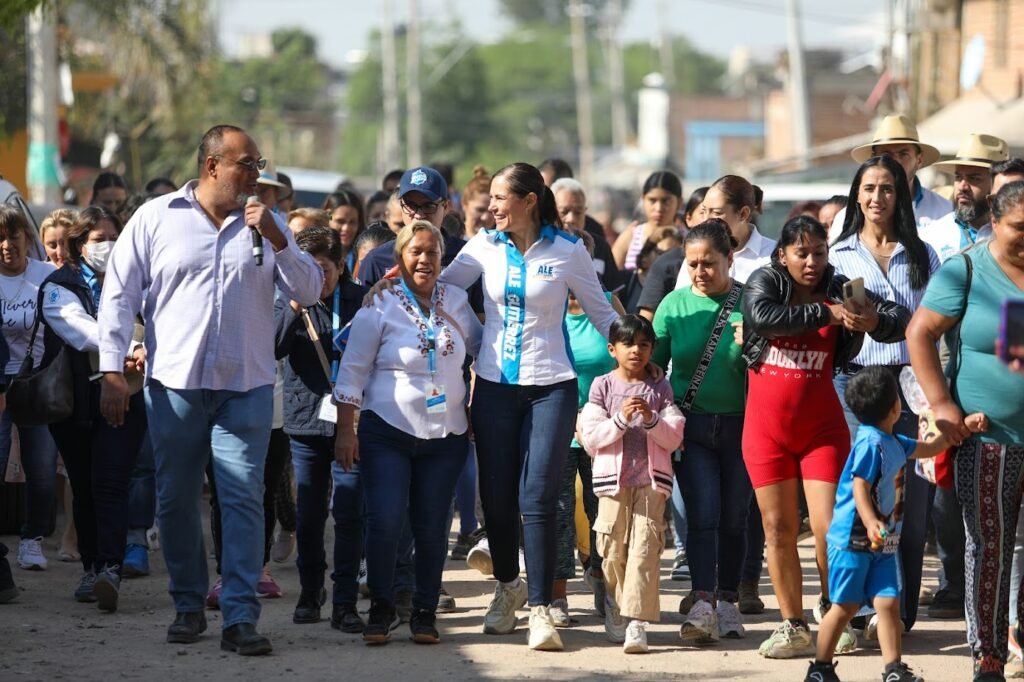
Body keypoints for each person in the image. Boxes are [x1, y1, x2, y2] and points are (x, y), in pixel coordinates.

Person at [97, 124, 323, 655]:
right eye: (247, 164)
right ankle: (187, 605)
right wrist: (111, 371)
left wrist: (279, 238)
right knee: (175, 500)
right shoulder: (156, 218)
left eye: (259, 163)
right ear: (212, 164)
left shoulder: (271, 224)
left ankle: (240, 616)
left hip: (244, 384)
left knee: (243, 497)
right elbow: (118, 297)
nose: (256, 174)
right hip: (174, 387)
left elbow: (311, 288)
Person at [435, 162, 620, 650]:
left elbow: (602, 313)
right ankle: (506, 586)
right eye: (491, 198)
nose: (491, 206)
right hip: (493, 387)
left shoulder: (567, 250)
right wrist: (386, 287)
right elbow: (440, 289)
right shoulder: (482, 246)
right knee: (496, 500)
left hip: (552, 389)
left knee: (536, 497)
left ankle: (541, 608)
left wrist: (637, 364)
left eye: (499, 198)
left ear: (528, 200)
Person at [742, 215, 910, 659]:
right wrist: (828, 314)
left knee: (828, 529)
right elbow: (763, 318)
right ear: (783, 256)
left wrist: (871, 319)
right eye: (802, 253)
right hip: (765, 432)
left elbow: (898, 317)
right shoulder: (764, 280)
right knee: (777, 528)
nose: (812, 262)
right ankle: (792, 624)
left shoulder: (842, 286)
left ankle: (835, 611)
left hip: (822, 430)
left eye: (819, 252)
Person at [335, 219, 481, 644]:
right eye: (415, 251)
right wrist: (347, 430)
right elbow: (352, 371)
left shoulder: (455, 299)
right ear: (400, 258)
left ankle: (424, 611)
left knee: (433, 526)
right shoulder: (379, 303)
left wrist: (476, 399)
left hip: (446, 435)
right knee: (385, 519)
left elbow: (482, 349)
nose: (424, 259)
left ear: (442, 258)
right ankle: (381, 607)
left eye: (432, 252)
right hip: (387, 431)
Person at [907, 180, 1024, 681]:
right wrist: (941, 404)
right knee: (989, 544)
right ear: (994, 222)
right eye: (1020, 228)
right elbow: (920, 332)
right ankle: (989, 658)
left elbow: (1014, 348)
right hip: (988, 437)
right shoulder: (968, 269)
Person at [806, 367, 987, 682]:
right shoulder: (869, 444)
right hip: (853, 542)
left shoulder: (895, 441)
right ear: (895, 407)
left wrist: (963, 429)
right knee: (845, 606)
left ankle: (893, 669)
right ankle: (820, 668)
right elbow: (860, 486)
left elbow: (929, 448)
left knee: (889, 603)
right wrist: (872, 520)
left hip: (883, 544)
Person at [829, 154, 941, 635]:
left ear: (901, 195)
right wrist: (843, 318)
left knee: (910, 506)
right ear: (857, 194)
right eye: (870, 188)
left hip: (909, 385)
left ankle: (899, 612)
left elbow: (935, 324)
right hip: (852, 384)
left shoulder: (924, 255)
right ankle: (857, 610)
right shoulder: (836, 254)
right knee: (861, 495)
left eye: (888, 188)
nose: (878, 197)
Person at [40, 205, 148, 612]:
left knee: (110, 480)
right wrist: (131, 346)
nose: (108, 246)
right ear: (80, 245)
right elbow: (78, 328)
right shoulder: (57, 286)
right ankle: (92, 566)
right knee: (83, 485)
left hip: (128, 398)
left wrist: (147, 346)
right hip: (74, 403)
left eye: (114, 237)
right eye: (99, 239)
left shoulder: (140, 282)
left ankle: (111, 569)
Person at [651, 220, 752, 644]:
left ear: (730, 258)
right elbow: (652, 367)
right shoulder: (672, 306)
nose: (699, 272)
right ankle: (703, 600)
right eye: (692, 263)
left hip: (745, 426)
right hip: (691, 427)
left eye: (709, 263)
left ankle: (729, 599)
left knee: (735, 517)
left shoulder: (753, 301)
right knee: (703, 515)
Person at [274, 226, 366, 630]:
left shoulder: (363, 302)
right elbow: (271, 348)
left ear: (341, 266)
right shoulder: (291, 301)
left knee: (349, 512)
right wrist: (293, 307)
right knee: (309, 515)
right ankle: (311, 592)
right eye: (308, 268)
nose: (318, 277)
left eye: (324, 269)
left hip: (355, 423)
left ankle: (344, 601)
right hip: (306, 421)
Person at [577, 314, 684, 654]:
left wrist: (651, 419)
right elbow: (592, 436)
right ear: (613, 349)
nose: (636, 351)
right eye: (628, 344)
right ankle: (616, 604)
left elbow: (674, 434)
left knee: (644, 549)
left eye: (643, 344)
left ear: (652, 349)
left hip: (652, 483)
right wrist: (622, 418)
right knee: (610, 548)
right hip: (612, 483)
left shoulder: (660, 387)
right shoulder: (602, 386)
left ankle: (636, 620)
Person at [0, 207, 58, 571]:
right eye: (0, 239)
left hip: (38, 383)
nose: (7, 246)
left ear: (28, 238)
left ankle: (32, 538)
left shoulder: (47, 276)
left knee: (42, 469)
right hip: (0, 384)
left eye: (14, 236)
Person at [828, 114, 946, 242]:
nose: (895, 161)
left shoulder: (945, 212)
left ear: (919, 160)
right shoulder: (846, 220)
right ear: (873, 159)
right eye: (886, 154)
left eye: (903, 154)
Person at [673, 175, 774, 291]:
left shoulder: (773, 257)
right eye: (703, 211)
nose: (706, 220)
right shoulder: (697, 255)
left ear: (743, 214)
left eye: (716, 213)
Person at [920, 133, 1008, 263]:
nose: (962, 186)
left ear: (997, 184)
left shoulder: (1012, 235)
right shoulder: (931, 236)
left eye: (974, 178)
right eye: (958, 177)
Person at [636, 186, 707, 319]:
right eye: (704, 212)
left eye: (717, 212)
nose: (711, 218)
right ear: (688, 218)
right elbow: (645, 322)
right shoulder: (665, 264)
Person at [551, 177, 623, 293]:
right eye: (564, 212)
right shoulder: (540, 245)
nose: (571, 219)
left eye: (578, 212)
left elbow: (613, 298)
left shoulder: (600, 247)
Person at [612, 171, 682, 271]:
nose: (658, 208)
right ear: (643, 200)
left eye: (666, 201)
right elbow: (611, 274)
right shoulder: (631, 236)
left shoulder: (688, 238)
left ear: (679, 202)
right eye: (652, 200)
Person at [620, 228, 680, 315]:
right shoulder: (624, 280)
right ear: (645, 256)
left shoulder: (679, 287)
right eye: (661, 253)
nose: (669, 260)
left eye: (674, 256)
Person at [324, 188, 366, 273]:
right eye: (340, 221)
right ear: (328, 217)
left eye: (352, 222)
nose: (346, 228)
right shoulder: (314, 254)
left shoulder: (365, 256)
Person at [461, 166, 494, 238]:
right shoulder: (449, 245)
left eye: (492, 211)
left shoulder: (504, 245)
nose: (485, 217)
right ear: (464, 204)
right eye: (480, 210)